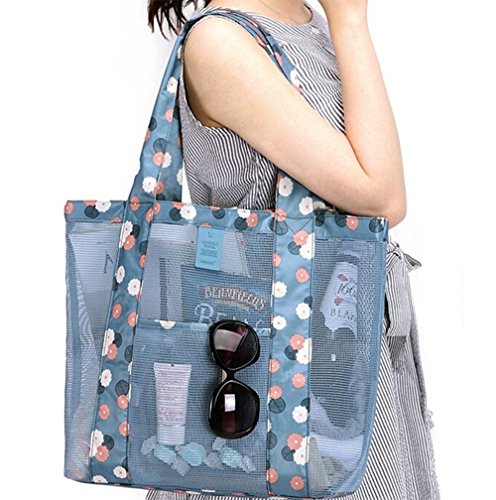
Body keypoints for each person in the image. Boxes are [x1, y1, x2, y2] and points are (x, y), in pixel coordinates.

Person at [144, 0, 441, 498]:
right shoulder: (221, 40)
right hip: (277, 382)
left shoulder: (308, 21)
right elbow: (382, 199)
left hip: (345, 366)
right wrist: (351, 21)